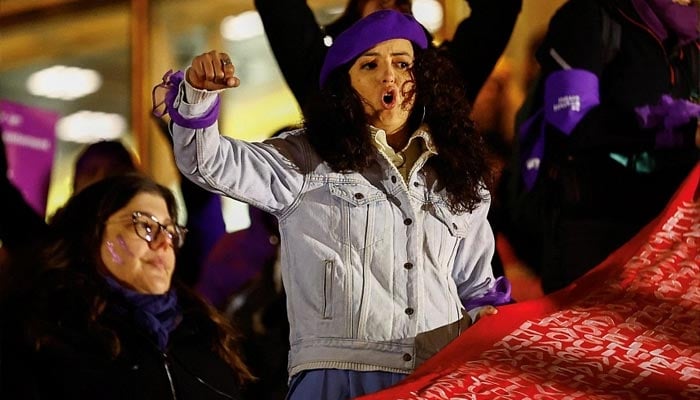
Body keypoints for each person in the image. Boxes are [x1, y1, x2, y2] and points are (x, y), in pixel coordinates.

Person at [158, 10, 511, 398]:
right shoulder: (305, 159)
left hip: (437, 378)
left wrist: (489, 319)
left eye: (402, 63)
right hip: (337, 378)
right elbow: (208, 163)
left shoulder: (460, 174)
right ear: (345, 85)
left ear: (423, 78)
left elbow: (477, 285)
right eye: (370, 64)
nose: (389, 75)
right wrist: (197, 96)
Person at [0, 173, 253, 399]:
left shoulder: (206, 334)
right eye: (145, 225)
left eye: (170, 231)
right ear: (91, 234)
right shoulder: (43, 336)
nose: (164, 243)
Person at [506, 0, 700, 293]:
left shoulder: (693, 36)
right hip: (595, 234)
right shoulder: (591, 17)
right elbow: (571, 122)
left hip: (671, 239)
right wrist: (675, 129)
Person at [254, 0, 522, 108]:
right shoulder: (326, 80)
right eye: (381, 7)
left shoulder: (444, 80)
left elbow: (498, 10)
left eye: (401, 7)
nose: (391, 20)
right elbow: (280, 9)